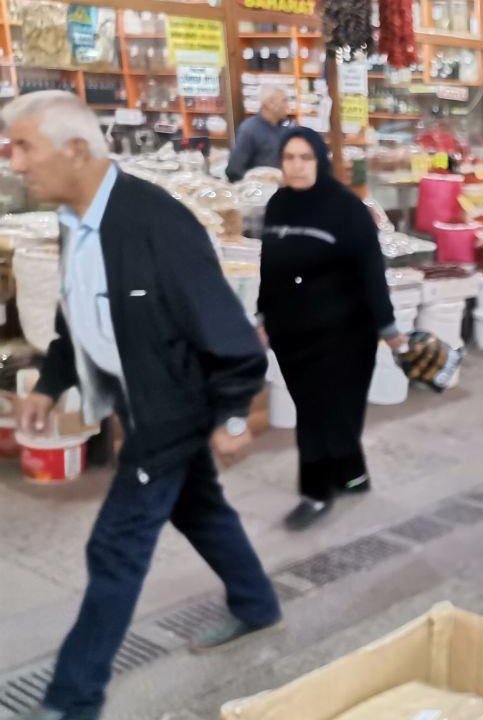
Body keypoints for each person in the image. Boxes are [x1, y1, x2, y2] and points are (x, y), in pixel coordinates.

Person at [5, 91, 281, 720]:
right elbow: (75, 320)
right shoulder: (76, 223)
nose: (16, 164)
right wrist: (49, 387)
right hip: (143, 401)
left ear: (76, 150)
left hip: (174, 410)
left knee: (115, 547)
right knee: (200, 510)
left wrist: (235, 414)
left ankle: (70, 701)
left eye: (25, 147)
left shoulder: (158, 224)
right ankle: (258, 603)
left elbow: (230, 334)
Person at [258, 127, 405, 531]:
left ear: (320, 161)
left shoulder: (346, 209)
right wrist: (261, 317)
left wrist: (389, 329)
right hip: (293, 333)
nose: (297, 166)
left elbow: (372, 272)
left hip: (344, 333)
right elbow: (269, 269)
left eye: (305, 158)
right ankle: (353, 477)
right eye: (289, 158)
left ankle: (315, 492)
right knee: (317, 409)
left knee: (322, 414)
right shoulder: (277, 206)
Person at [225, 86, 289, 182]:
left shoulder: (285, 128)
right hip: (260, 191)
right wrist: (257, 182)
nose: (288, 106)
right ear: (270, 103)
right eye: (284, 101)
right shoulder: (249, 130)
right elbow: (234, 170)